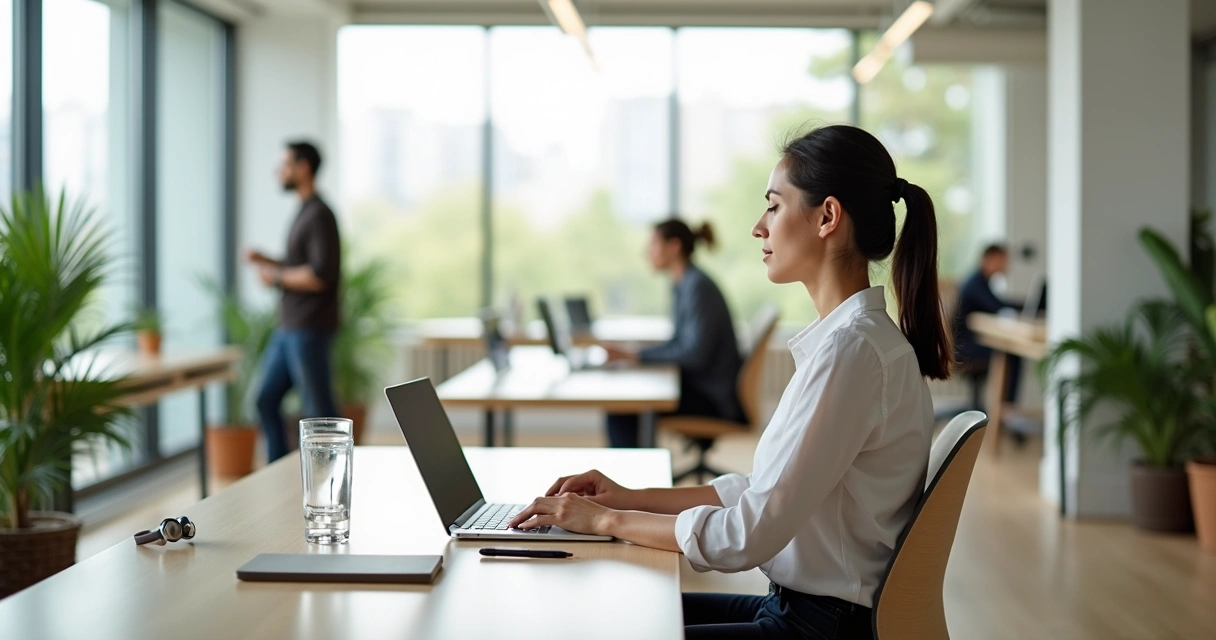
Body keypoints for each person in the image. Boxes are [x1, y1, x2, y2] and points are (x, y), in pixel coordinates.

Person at [508, 125, 952, 640]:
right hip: (802, 610)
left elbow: (746, 537)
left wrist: (606, 523)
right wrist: (625, 498)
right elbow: (757, 492)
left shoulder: (853, 352)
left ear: (827, 217)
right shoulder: (851, 344)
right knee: (622, 616)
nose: (757, 227)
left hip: (818, 627)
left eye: (773, 206)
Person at [602, 220, 743, 448]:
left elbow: (694, 354)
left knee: (622, 408)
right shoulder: (684, 284)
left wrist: (635, 357)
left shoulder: (697, 287)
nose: (647, 252)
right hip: (701, 387)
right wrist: (633, 355)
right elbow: (679, 343)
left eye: (654, 244)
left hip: (712, 400)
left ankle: (630, 481)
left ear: (674, 247)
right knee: (628, 400)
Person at [246, 141, 342, 462]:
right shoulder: (304, 210)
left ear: (303, 168)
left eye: (285, 164)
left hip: (308, 328)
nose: (279, 171)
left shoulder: (319, 214)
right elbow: (298, 264)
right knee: (266, 400)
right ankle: (280, 472)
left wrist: (274, 277)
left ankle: (331, 481)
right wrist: (268, 261)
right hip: (289, 328)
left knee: (319, 412)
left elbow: (318, 274)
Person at [953, 244, 1022, 406]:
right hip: (964, 348)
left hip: (967, 343)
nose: (1006, 265)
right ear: (990, 259)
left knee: (1010, 352)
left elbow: (998, 304)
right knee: (1012, 354)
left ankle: (1004, 410)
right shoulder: (976, 283)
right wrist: (1025, 306)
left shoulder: (980, 281)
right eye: (1003, 260)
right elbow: (996, 306)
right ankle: (1006, 410)